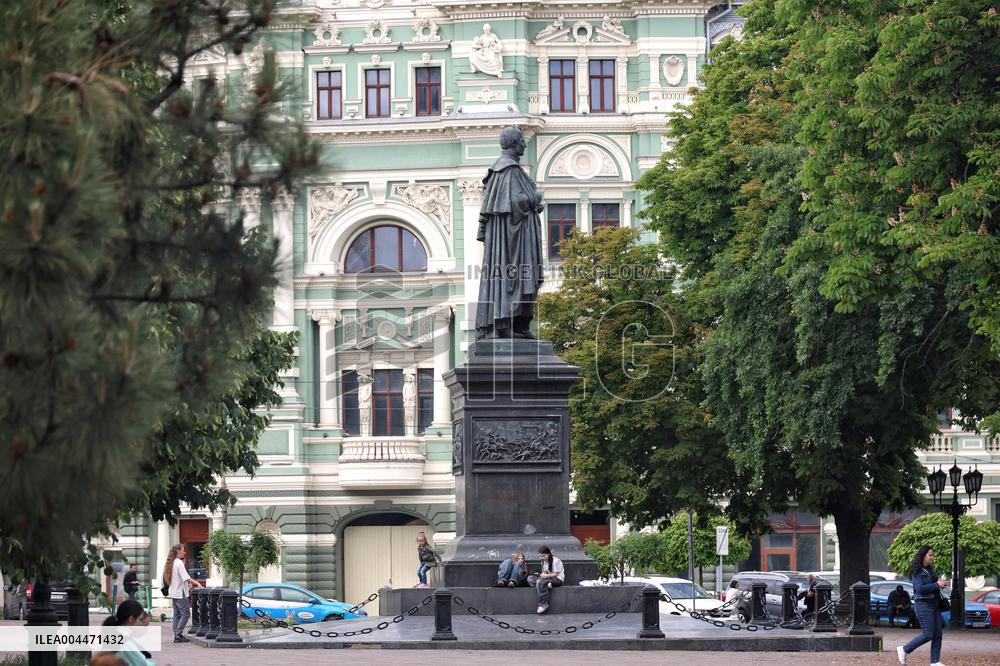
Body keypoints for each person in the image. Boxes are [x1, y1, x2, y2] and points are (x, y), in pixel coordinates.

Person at [475, 126, 544, 339]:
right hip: (513, 242)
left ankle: (517, 324)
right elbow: (516, 202)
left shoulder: (503, 170)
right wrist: (535, 198)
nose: (524, 144)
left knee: (518, 276)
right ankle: (506, 322)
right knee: (515, 276)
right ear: (514, 143)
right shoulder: (509, 170)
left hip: (514, 236)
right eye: (522, 141)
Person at [898, 545, 949, 666]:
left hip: (934, 604)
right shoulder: (917, 571)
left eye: (933, 555)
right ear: (923, 556)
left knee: (938, 634)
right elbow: (920, 589)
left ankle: (935, 662)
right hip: (923, 605)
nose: (932, 557)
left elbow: (932, 586)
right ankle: (904, 649)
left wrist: (941, 585)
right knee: (928, 634)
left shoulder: (930, 570)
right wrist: (937, 585)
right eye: (930, 555)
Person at [162, 543, 203, 643]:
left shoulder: (172, 562)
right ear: (178, 551)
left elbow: (181, 578)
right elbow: (186, 577)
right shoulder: (179, 563)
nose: (184, 552)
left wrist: (189, 583)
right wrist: (197, 583)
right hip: (180, 592)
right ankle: (178, 634)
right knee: (186, 614)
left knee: (177, 614)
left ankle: (177, 634)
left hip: (174, 592)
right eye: (183, 550)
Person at [101, 599, 154, 666]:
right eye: (140, 620)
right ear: (131, 619)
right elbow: (143, 664)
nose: (141, 624)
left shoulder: (117, 636)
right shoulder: (125, 643)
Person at [527, 546, 564, 614]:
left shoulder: (555, 560)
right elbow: (545, 572)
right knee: (530, 579)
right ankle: (545, 586)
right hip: (547, 579)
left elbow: (556, 574)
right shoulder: (543, 562)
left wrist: (545, 576)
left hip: (557, 579)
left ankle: (543, 604)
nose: (542, 558)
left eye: (543, 556)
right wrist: (541, 575)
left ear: (548, 554)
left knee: (540, 582)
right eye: (540, 556)